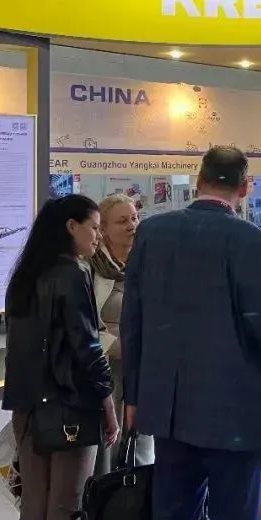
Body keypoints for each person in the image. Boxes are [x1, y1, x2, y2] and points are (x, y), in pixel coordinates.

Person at [121, 146, 261, 520]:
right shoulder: (250, 239)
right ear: (245, 187)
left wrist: (134, 396)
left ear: (198, 180)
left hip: (168, 407)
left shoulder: (152, 232)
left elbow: (132, 320)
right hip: (231, 409)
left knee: (171, 519)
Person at [2, 195, 120, 520]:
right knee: (65, 515)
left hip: (27, 408)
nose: (98, 237)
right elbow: (87, 347)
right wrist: (108, 403)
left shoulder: (24, 276)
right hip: (70, 407)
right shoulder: (72, 274)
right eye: (93, 227)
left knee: (33, 510)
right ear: (71, 226)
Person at [86, 194, 153, 471]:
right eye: (122, 221)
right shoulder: (91, 267)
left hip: (143, 365)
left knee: (142, 443)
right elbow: (83, 323)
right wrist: (114, 346)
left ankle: (138, 493)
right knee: (107, 444)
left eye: (135, 218)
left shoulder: (148, 263)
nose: (132, 225)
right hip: (105, 366)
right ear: (103, 229)